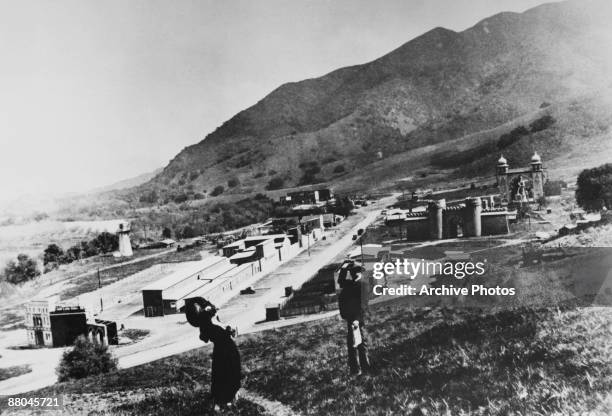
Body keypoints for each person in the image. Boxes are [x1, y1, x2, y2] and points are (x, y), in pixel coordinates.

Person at [185, 297, 241, 409]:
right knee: (227, 372)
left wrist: (229, 330)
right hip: (224, 348)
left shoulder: (208, 321)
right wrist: (229, 330)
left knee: (227, 372)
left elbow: (217, 332)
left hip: (224, 348)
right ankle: (225, 400)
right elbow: (219, 331)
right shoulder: (207, 321)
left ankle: (226, 399)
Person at [338, 260, 371, 376]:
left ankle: (365, 369)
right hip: (350, 317)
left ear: (361, 274)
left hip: (358, 317)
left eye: (357, 273)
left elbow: (364, 304)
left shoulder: (363, 285)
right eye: (352, 273)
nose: (355, 275)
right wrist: (344, 267)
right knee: (351, 344)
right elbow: (340, 281)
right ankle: (355, 370)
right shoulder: (348, 283)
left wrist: (357, 319)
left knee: (360, 343)